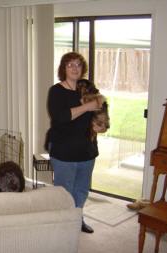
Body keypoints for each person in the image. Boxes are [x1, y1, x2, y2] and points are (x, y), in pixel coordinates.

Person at [46, 52, 106, 233]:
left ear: (83, 69)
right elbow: (61, 117)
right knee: (65, 192)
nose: (74, 68)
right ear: (63, 69)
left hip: (87, 150)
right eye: (70, 65)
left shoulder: (88, 88)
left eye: (78, 65)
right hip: (64, 150)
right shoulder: (56, 91)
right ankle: (63, 224)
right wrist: (88, 106)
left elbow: (102, 109)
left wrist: (101, 126)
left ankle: (77, 218)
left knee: (81, 190)